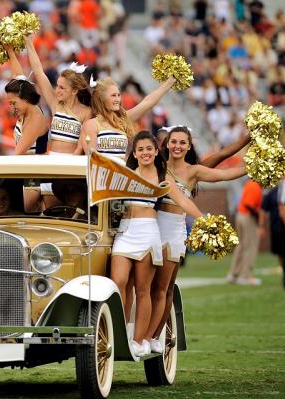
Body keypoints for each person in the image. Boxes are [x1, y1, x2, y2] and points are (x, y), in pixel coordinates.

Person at [145, 125, 249, 352]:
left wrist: (253, 165)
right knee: (146, 287)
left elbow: (224, 173)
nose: (178, 146)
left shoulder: (194, 171)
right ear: (166, 144)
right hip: (151, 228)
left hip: (173, 231)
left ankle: (154, 337)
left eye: (182, 143)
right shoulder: (156, 166)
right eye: (174, 142)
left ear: (189, 146)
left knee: (164, 289)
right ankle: (143, 334)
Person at [110, 131, 203, 357]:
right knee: (118, 283)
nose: (145, 153)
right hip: (125, 231)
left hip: (149, 233)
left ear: (155, 151)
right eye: (140, 149)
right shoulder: (126, 172)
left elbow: (183, 201)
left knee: (144, 290)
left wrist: (204, 219)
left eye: (149, 149)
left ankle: (139, 340)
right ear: (134, 153)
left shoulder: (163, 177)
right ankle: (119, 332)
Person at [25, 34, 93, 155]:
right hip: (53, 160)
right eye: (57, 86)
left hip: (72, 162)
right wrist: (29, 43)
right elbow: (39, 72)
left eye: (62, 88)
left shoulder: (86, 112)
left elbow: (84, 145)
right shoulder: (55, 103)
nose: (57, 90)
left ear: (74, 91)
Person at [78, 76, 176, 159]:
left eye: (118, 95)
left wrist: (168, 83)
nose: (118, 99)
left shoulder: (123, 120)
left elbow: (147, 103)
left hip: (121, 176)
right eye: (113, 96)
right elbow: (92, 159)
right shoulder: (91, 124)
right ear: (102, 99)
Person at [2, 44, 49, 155]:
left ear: (25, 97)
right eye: (10, 104)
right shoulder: (26, 108)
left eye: (14, 103)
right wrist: (10, 51)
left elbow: (18, 153)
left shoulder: (35, 119)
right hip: (26, 167)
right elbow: (18, 75)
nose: (12, 107)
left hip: (35, 170)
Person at [228, 179, 264, 285]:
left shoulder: (249, 183)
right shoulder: (255, 186)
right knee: (250, 246)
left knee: (242, 246)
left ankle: (234, 274)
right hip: (247, 217)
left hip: (240, 215)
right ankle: (244, 276)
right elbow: (249, 204)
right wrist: (259, 215)